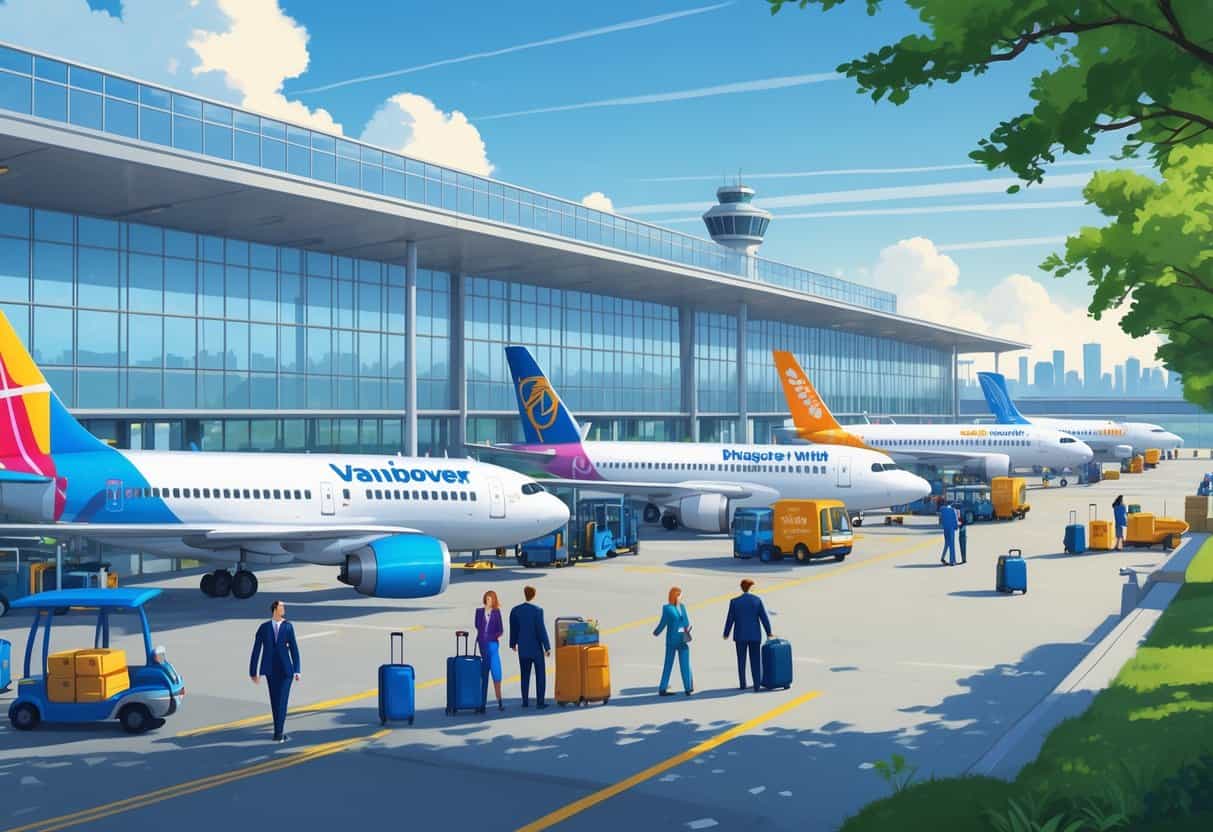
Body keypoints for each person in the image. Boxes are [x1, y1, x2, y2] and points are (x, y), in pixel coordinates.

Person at [249, 600, 300, 743]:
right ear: (275, 610)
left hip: (286, 670)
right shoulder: (264, 628)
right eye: (281, 607)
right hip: (270, 669)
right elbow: (256, 651)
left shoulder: (288, 627)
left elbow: (294, 649)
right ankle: (278, 731)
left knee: (282, 701)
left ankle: (278, 733)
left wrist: (297, 669)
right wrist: (254, 671)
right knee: (274, 701)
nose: (284, 609)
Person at [723, 579, 772, 692]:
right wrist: (769, 632)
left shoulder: (734, 602)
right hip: (755, 635)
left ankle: (742, 683)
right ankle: (756, 684)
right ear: (751, 587)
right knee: (755, 660)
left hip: (740, 635)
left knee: (741, 660)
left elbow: (730, 619)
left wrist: (726, 633)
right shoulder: (757, 600)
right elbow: (764, 618)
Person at [509, 585, 551, 708]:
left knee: (524, 674)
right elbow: (540, 630)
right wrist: (547, 647)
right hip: (536, 648)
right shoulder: (538, 611)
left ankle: (525, 701)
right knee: (540, 675)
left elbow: (514, 629)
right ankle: (540, 702)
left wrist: (513, 643)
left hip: (523, 648)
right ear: (534, 595)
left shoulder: (515, 610)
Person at [652, 586, 694, 697]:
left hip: (672, 640)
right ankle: (688, 688)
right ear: (675, 596)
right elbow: (686, 623)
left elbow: (663, 623)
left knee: (669, 664)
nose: (681, 597)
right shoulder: (675, 608)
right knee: (684, 664)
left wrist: (656, 632)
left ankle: (663, 688)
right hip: (681, 640)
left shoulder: (669, 608)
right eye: (680, 595)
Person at [475, 590, 505, 711]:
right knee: (484, 675)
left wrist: (493, 636)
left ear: (494, 600)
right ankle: (482, 703)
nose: (488, 601)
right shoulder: (479, 612)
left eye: (490, 599)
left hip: (492, 645)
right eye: (487, 599)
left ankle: (499, 701)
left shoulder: (497, 613)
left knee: (496, 672)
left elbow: (500, 629)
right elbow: (477, 625)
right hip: (483, 644)